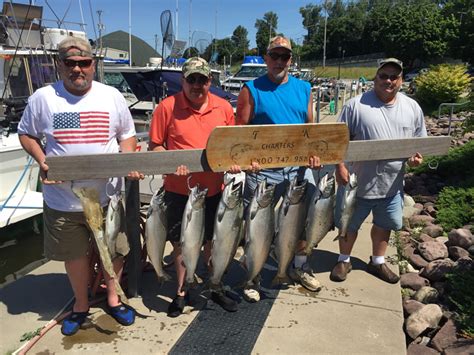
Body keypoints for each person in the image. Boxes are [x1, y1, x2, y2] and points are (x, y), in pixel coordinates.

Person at [17, 37, 144, 336]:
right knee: (73, 255)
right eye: (70, 63)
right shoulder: (43, 98)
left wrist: (128, 161)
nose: (77, 69)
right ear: (59, 65)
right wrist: (42, 159)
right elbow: (26, 134)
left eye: (84, 63)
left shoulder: (111, 96)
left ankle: (113, 299)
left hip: (107, 197)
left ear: (93, 64)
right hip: (63, 199)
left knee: (113, 249)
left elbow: (127, 135)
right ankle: (81, 304)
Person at [148, 57, 237, 317]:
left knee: (213, 240)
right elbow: (155, 145)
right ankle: (182, 290)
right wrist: (172, 162)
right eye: (192, 79)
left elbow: (232, 147)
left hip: (213, 189)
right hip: (178, 190)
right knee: (180, 242)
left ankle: (216, 285)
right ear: (183, 81)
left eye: (202, 79)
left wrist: (233, 163)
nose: (197, 84)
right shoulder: (166, 107)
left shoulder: (223, 108)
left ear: (210, 81)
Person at [236, 36, 322, 303]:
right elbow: (239, 133)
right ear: (266, 58)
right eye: (275, 56)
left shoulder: (305, 88)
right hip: (262, 171)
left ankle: (297, 266)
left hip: (298, 170)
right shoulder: (250, 89)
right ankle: (252, 276)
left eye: (284, 57)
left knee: (302, 223)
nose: (279, 61)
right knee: (257, 228)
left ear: (291, 60)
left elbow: (311, 127)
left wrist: (316, 154)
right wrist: (248, 161)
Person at [331, 58, 427, 284]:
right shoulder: (355, 105)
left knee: (384, 225)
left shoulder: (412, 107)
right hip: (357, 182)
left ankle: (378, 261)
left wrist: (415, 160)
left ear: (401, 80)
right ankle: (343, 259)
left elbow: (418, 145)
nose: (389, 80)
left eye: (394, 76)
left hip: (392, 185)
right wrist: (339, 166)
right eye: (384, 76)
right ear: (375, 77)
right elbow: (336, 140)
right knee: (348, 225)